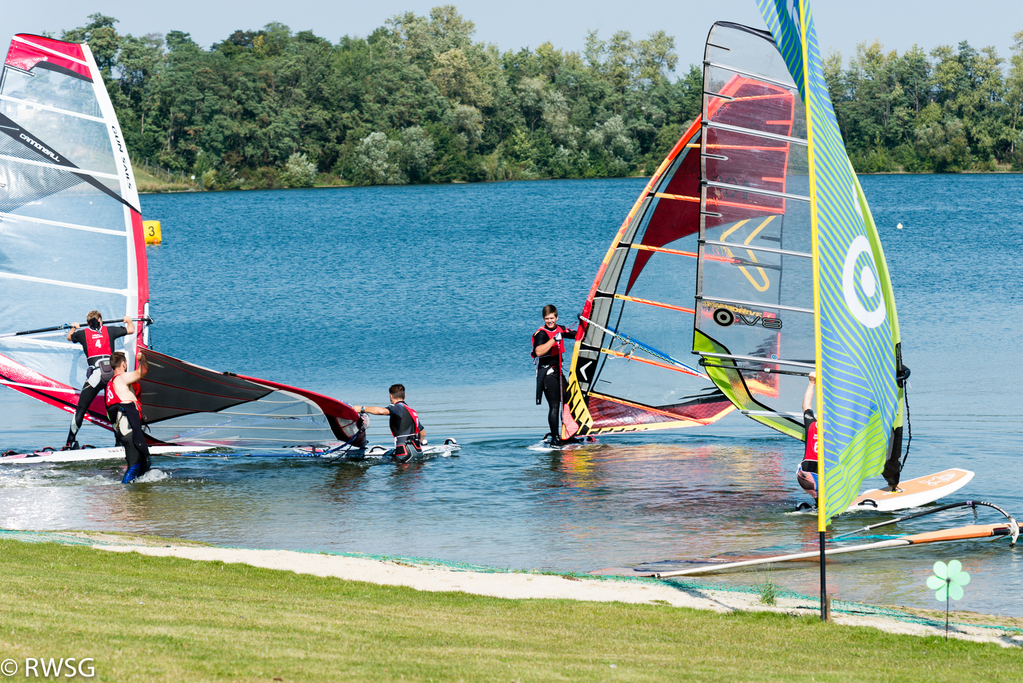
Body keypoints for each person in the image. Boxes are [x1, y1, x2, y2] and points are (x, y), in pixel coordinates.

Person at [64, 310, 135, 450]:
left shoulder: (82, 333)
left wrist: (74, 327)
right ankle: (119, 442)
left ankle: (69, 442)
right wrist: (128, 320)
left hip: (96, 376)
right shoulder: (110, 330)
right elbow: (131, 330)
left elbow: (69, 337)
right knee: (112, 408)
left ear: (88, 322)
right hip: (112, 376)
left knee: (81, 409)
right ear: (100, 319)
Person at [532, 304, 578, 447]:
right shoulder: (541, 333)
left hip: (558, 372)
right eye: (547, 319)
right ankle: (555, 438)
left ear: (556, 317)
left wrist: (584, 323)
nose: (549, 321)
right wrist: (554, 339)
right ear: (544, 319)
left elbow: (578, 335)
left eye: (552, 318)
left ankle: (567, 434)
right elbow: (538, 352)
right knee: (554, 406)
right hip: (547, 373)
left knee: (568, 401)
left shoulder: (561, 329)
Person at [105, 351, 152, 483]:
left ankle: (138, 496)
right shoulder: (121, 379)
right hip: (129, 430)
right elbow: (142, 371)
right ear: (124, 364)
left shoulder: (111, 383)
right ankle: (124, 496)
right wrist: (143, 358)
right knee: (134, 467)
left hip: (123, 430)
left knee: (145, 464)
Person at [354, 384, 427, 463]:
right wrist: (419, 443)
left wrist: (362, 408)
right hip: (417, 451)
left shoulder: (396, 407)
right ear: (404, 396)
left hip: (404, 452)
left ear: (391, 396)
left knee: (400, 474)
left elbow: (381, 411)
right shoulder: (412, 412)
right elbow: (423, 434)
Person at [795, 371, 819, 504]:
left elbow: (806, 406)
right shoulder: (836, 431)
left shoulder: (812, 424)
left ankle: (816, 505)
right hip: (816, 478)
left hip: (803, 476)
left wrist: (812, 382)